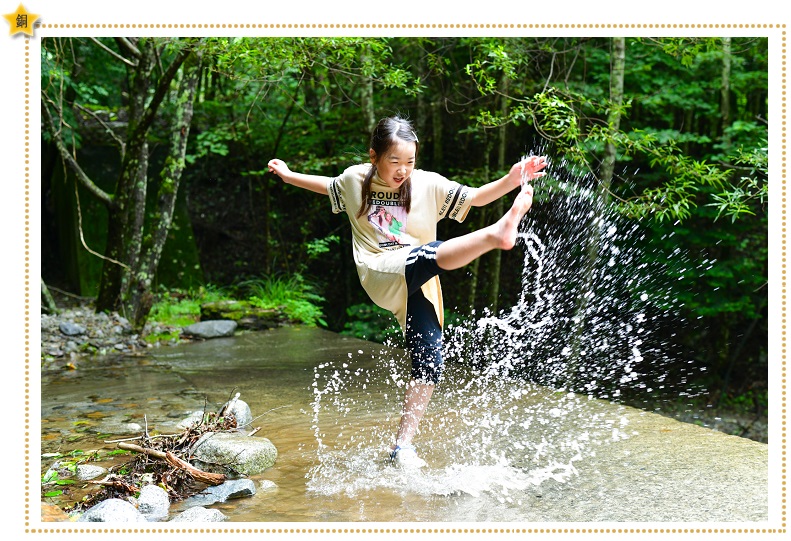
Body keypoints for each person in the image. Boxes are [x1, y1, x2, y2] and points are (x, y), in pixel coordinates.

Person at [268, 115, 547, 468]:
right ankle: (495, 234)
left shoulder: (426, 183)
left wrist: (511, 178)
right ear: (374, 157)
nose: (403, 170)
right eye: (394, 161)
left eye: (410, 161)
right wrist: (290, 176)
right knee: (427, 255)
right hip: (379, 268)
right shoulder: (356, 180)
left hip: (422, 275)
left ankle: (402, 446)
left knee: (430, 360)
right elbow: (328, 186)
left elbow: (474, 198)